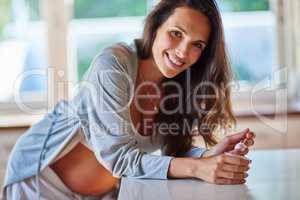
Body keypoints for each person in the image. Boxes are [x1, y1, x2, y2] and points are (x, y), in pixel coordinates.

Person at [1, 0, 255, 199]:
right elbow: (119, 158)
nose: (183, 52)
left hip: (104, 194)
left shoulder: (180, 84)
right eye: (176, 33)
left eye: (197, 45)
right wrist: (197, 168)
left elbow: (174, 153)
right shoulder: (113, 64)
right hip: (40, 182)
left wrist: (208, 156)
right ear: (155, 28)